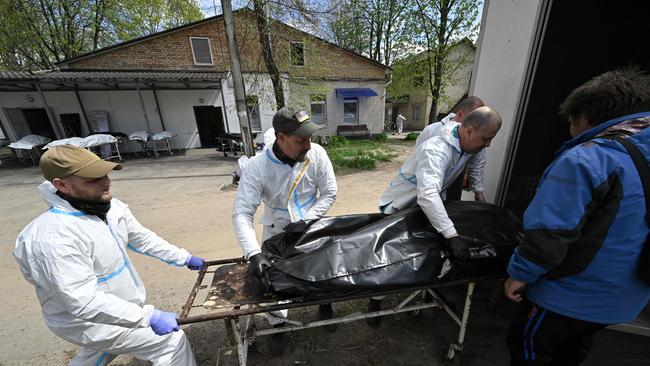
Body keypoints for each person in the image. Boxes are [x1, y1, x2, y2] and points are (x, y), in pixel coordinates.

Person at [504, 67, 650, 366]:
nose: (570, 129)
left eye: (571, 120)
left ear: (585, 115)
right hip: (627, 296)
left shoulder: (588, 158)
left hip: (569, 294)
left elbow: (550, 234)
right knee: (572, 351)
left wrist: (519, 275)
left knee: (529, 346)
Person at [13, 145, 205, 366]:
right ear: (61, 185)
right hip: (84, 321)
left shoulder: (108, 206)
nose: (106, 182)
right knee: (170, 341)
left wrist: (183, 257)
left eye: (104, 173)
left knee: (100, 352)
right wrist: (148, 316)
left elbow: (142, 238)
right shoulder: (53, 237)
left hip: (116, 310)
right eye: (92, 179)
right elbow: (83, 301)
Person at [369, 106, 502, 325]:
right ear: (468, 130)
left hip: (427, 205)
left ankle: (423, 294)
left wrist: (480, 199)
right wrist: (452, 235)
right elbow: (428, 194)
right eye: (486, 138)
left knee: (425, 252)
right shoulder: (436, 148)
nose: (488, 144)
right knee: (390, 258)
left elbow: (478, 167)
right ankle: (376, 301)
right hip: (400, 205)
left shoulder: (474, 146)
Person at [232, 107, 338, 352]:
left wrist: (308, 219)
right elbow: (242, 213)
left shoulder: (317, 154)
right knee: (275, 284)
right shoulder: (258, 168)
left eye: (310, 138)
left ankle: (325, 305)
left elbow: (329, 192)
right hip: (277, 232)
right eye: (301, 140)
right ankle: (278, 325)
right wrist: (253, 253)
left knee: (323, 273)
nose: (309, 145)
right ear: (280, 138)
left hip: (312, 226)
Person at [415, 96, 486, 201]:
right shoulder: (432, 131)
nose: (475, 127)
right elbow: (416, 161)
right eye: (472, 121)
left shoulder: (476, 139)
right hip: (419, 188)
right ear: (461, 114)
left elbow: (477, 165)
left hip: (446, 189)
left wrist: (478, 192)